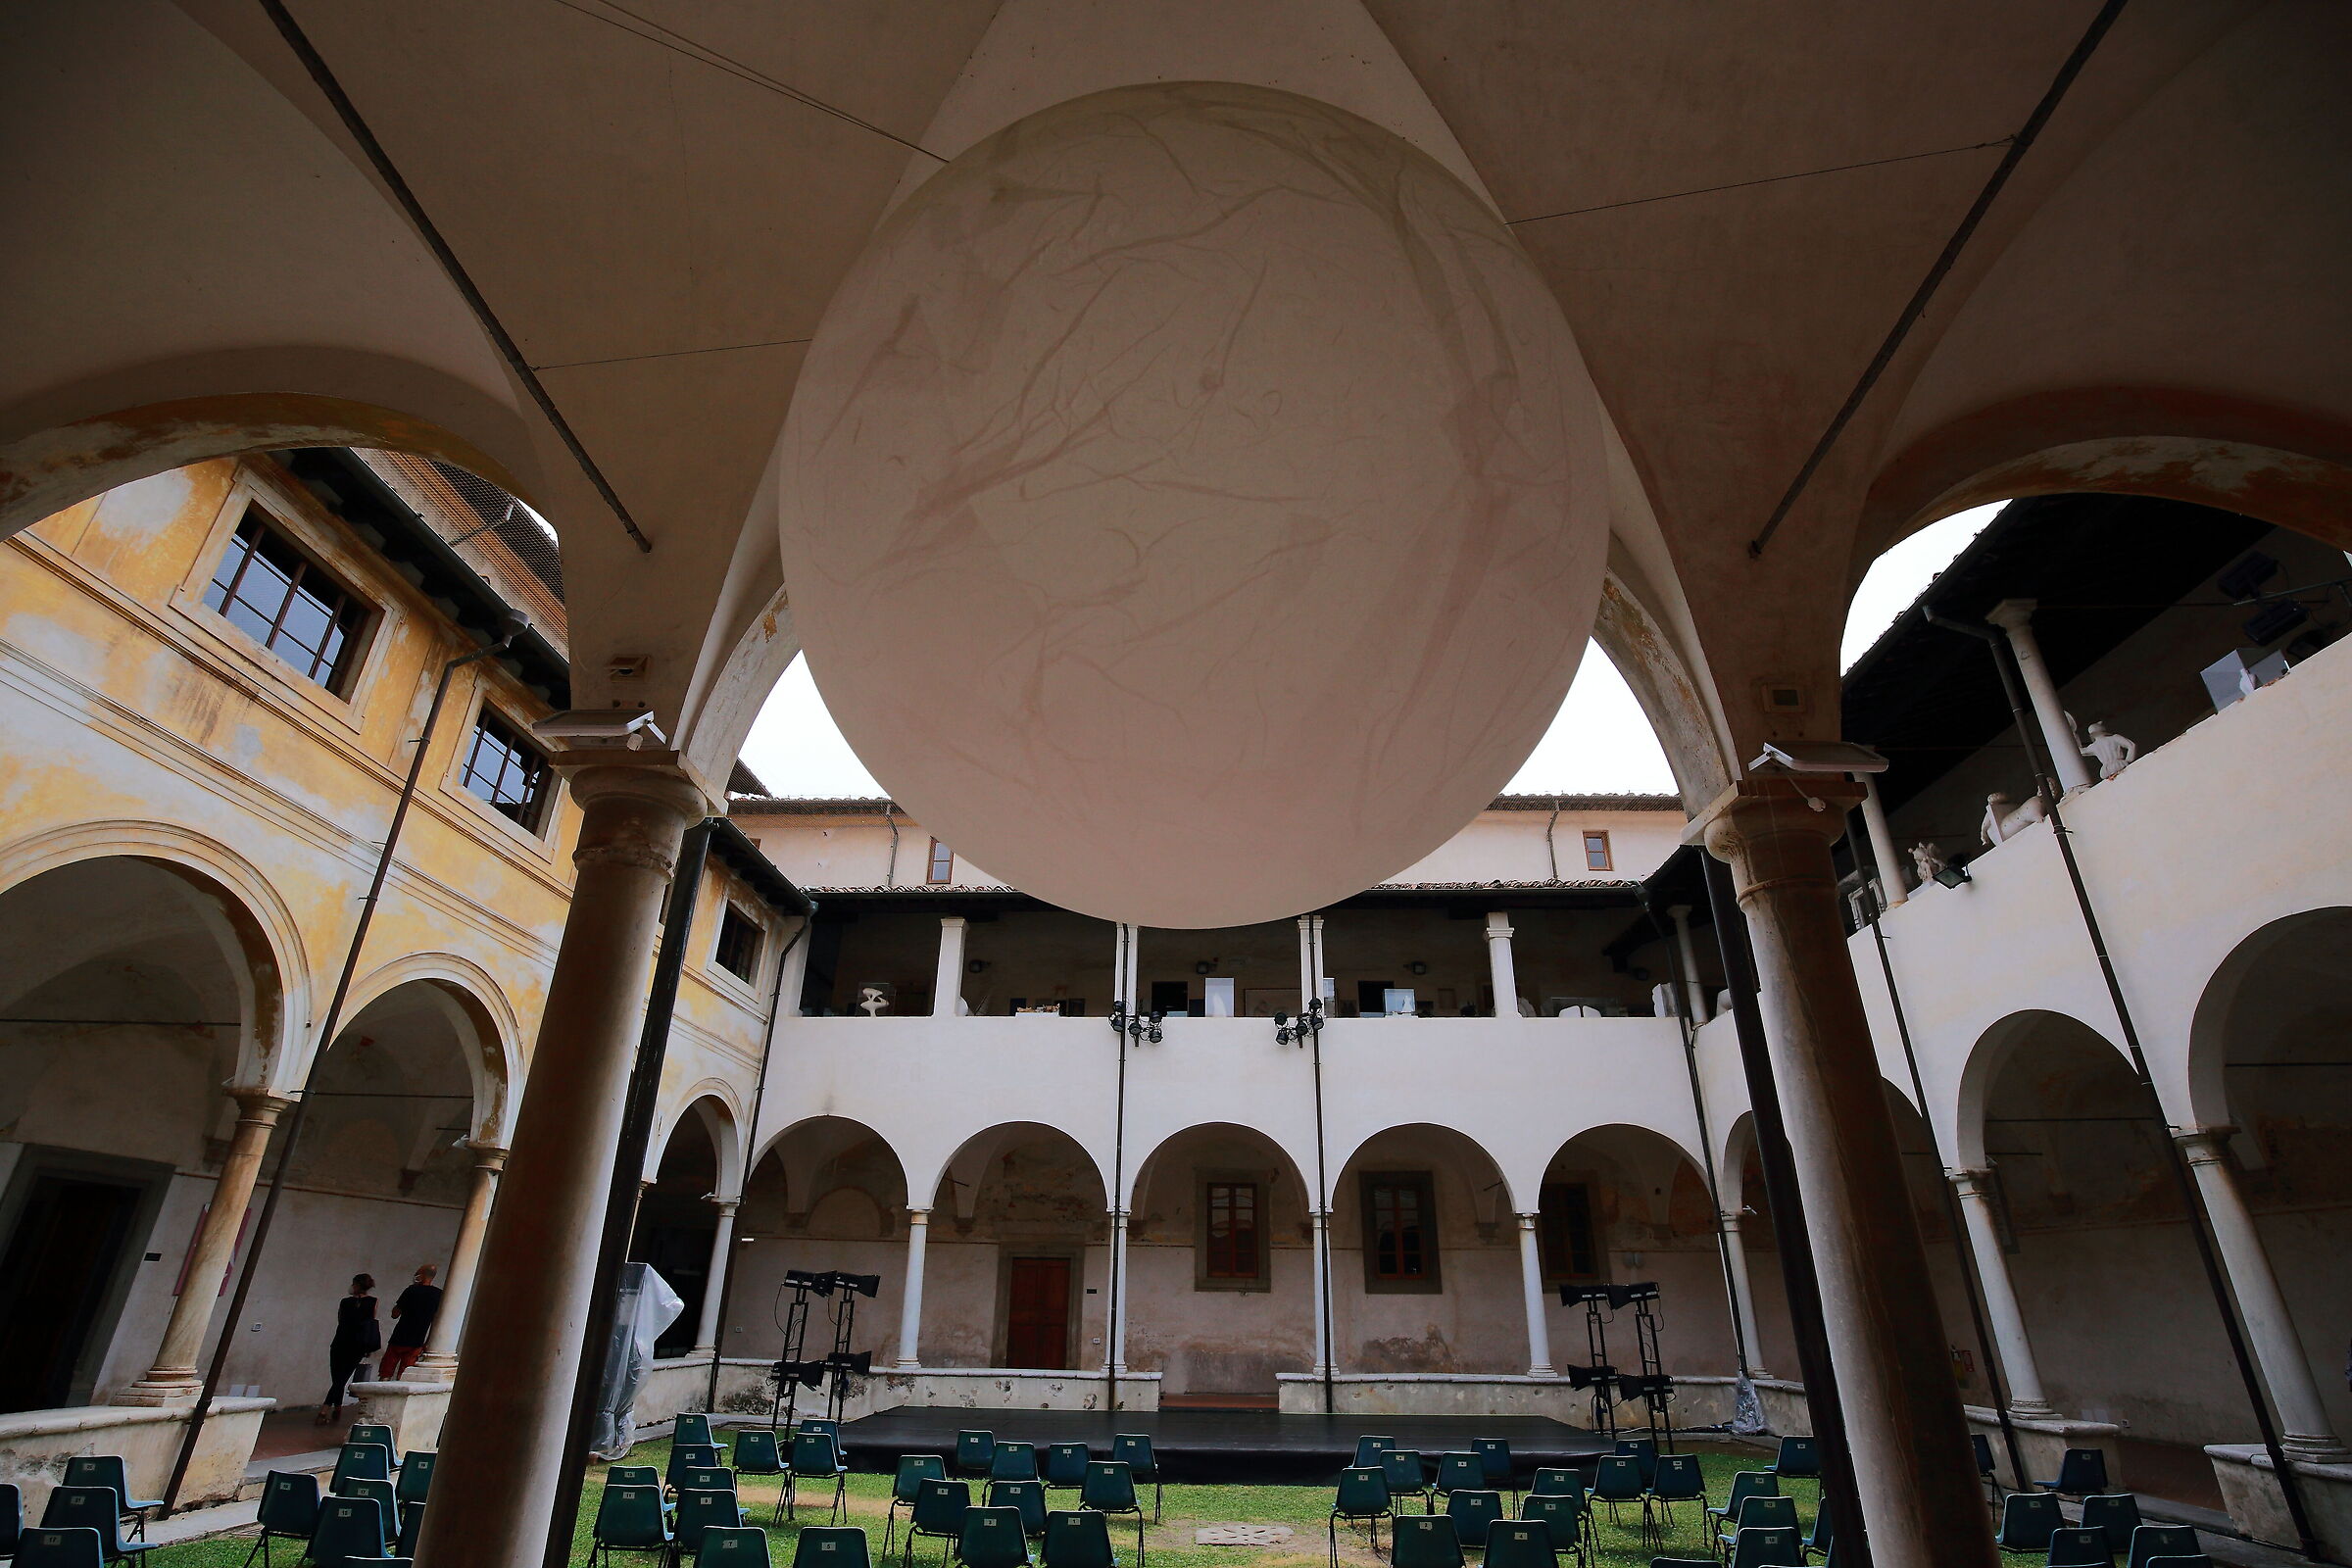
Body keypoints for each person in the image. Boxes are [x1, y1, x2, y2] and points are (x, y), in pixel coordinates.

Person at [318, 1272, 379, 1423]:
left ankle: (325, 1410)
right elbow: (371, 1321)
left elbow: (340, 1320)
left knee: (337, 1378)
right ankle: (336, 1408)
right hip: (358, 1345)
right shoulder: (373, 1301)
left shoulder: (345, 1302)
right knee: (341, 1379)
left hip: (340, 1341)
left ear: (356, 1285)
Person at [376, 1263, 443, 1381]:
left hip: (399, 1336)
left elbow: (394, 1314)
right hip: (418, 1340)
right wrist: (427, 1342)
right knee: (405, 1375)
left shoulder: (411, 1290)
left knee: (386, 1371)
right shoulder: (438, 1294)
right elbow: (436, 1320)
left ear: (421, 1275)